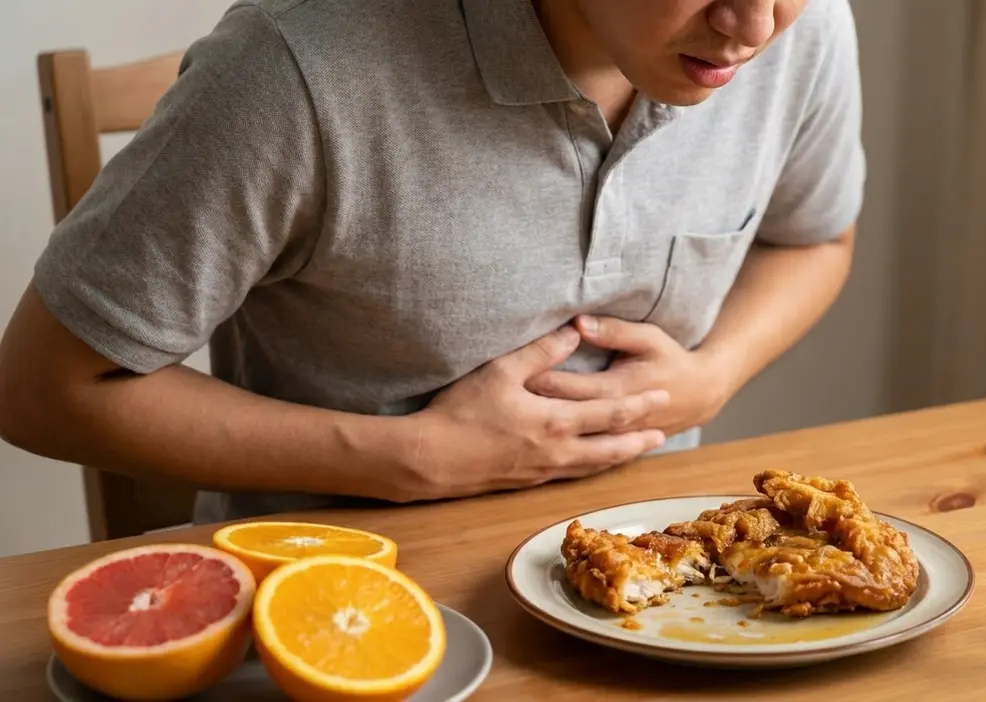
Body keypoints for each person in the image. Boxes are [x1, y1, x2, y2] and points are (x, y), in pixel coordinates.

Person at [0, 0, 865, 524]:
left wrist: (714, 374)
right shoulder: (295, 72)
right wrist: (408, 457)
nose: (751, 29)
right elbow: (39, 388)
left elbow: (814, 238)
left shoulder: (805, 29)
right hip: (339, 597)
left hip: (661, 576)